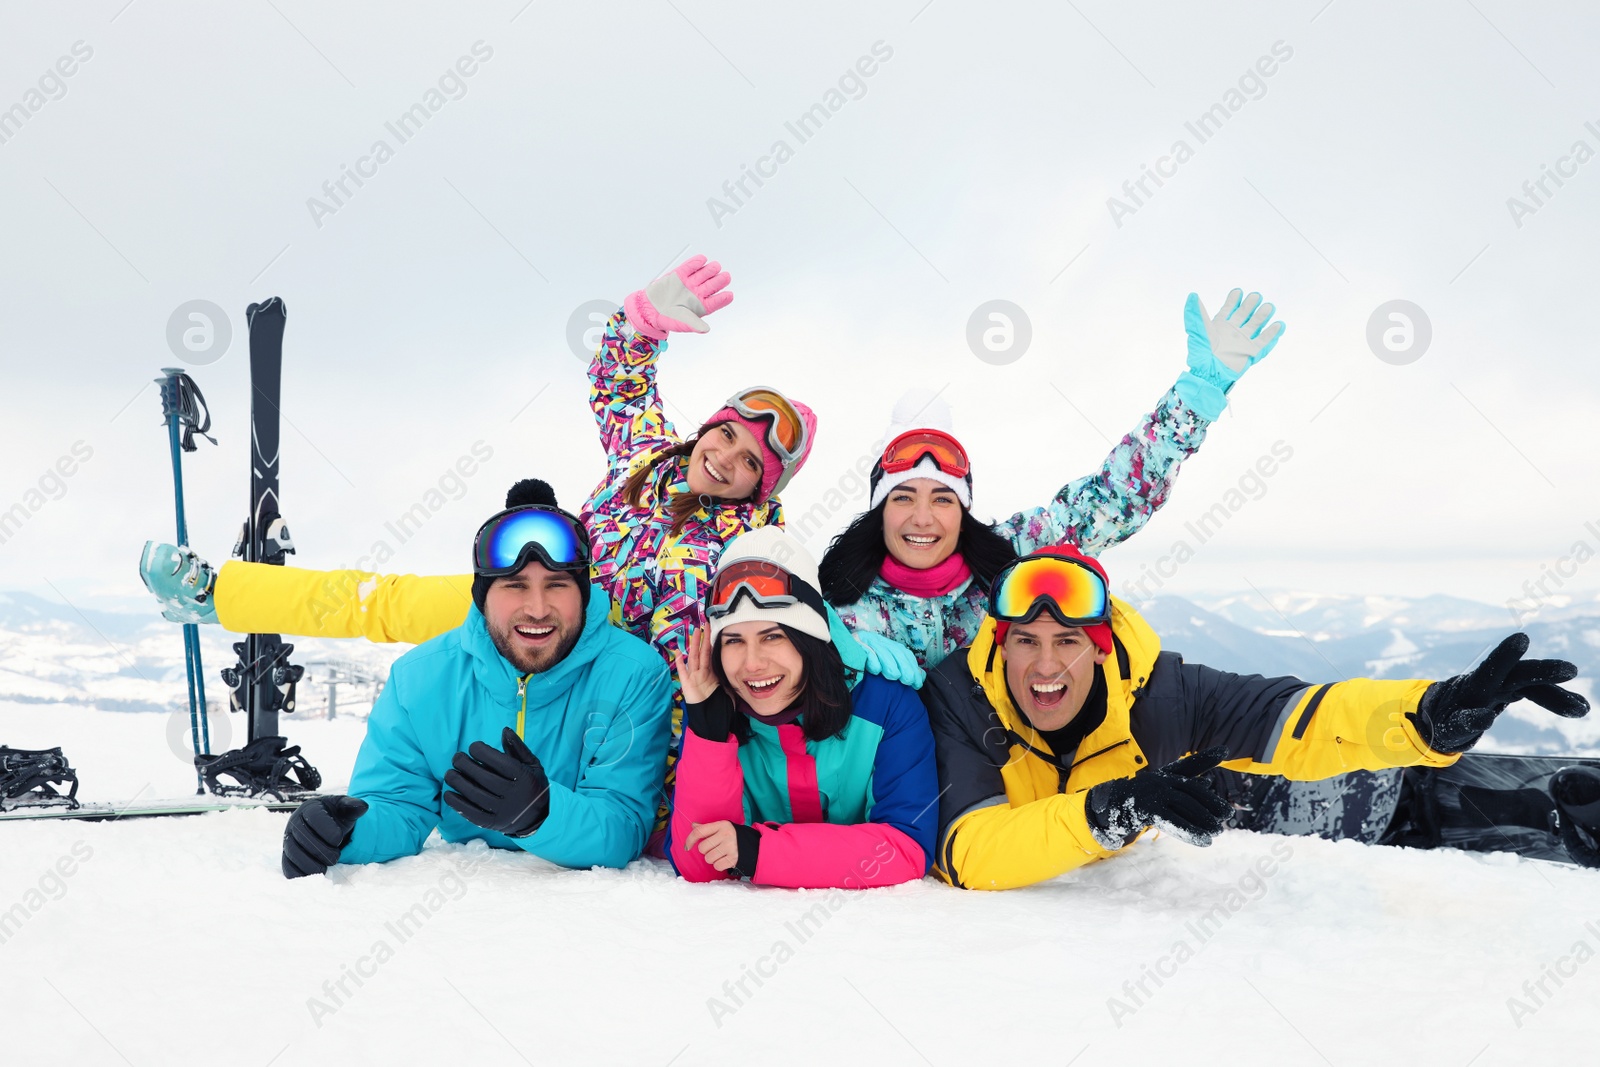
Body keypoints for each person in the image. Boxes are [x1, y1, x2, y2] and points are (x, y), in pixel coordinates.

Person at [140, 255, 918, 836]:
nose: (728, 458)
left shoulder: (749, 534)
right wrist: (643, 319)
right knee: (381, 600)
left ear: (763, 484)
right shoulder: (646, 459)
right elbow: (620, 382)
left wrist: (846, 639)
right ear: (705, 426)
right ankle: (216, 592)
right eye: (727, 434)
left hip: (612, 662)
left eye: (754, 460)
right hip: (536, 587)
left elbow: (785, 597)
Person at [920, 545, 1591, 891]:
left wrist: (1420, 716)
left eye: (1068, 641)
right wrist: (1112, 809)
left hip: (1177, 801)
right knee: (1223, 798)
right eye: (1025, 641)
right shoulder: (963, 697)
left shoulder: (1162, 692)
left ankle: (1430, 789)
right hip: (1150, 813)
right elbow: (970, 852)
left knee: (1262, 778)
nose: (1045, 666)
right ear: (999, 644)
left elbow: (1290, 715)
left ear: (1100, 651)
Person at [821, 287, 1287, 669]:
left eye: (943, 499)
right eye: (903, 497)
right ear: (879, 509)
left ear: (963, 511)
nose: (922, 518)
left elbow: (1117, 496)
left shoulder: (1015, 557)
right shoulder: (835, 607)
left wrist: (1199, 393)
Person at [280, 481, 673, 877]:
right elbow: (398, 806)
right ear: (482, 596)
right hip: (463, 922)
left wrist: (543, 811)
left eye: (557, 585)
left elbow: (622, 824)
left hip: (580, 922)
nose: (537, 609)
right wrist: (345, 834)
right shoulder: (420, 679)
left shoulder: (633, 674)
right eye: (514, 586)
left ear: (584, 594)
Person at [668, 528, 937, 888]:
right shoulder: (718, 710)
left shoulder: (887, 704)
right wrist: (708, 732)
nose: (751, 664)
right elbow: (699, 863)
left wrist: (759, 851)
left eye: (772, 637)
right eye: (733, 641)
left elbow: (906, 849)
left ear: (809, 640)